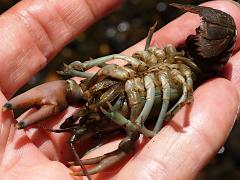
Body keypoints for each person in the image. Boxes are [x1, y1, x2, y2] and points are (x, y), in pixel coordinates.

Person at [0, 0, 239, 179]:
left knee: (131, 111)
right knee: (102, 89)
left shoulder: (183, 77)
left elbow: (140, 122)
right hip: (165, 65)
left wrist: (136, 127)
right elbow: (115, 64)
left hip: (181, 70)